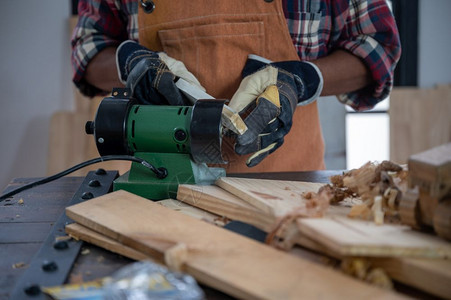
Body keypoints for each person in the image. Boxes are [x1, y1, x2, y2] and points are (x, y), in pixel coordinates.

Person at [71, 0, 401, 173]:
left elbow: (378, 48)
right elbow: (87, 52)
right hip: (160, 185)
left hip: (288, 188)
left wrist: (302, 80)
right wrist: (131, 63)